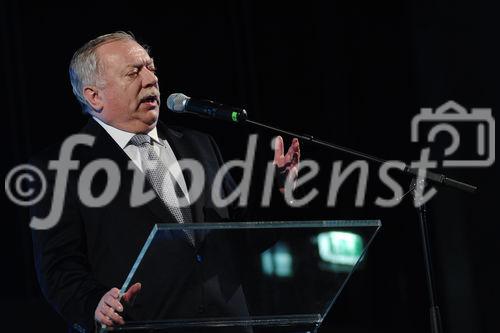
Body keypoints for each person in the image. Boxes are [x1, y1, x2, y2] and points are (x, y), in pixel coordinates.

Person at [30, 31, 300, 333]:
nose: (150, 80)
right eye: (133, 72)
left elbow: (241, 238)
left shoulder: (200, 146)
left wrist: (279, 191)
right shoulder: (60, 166)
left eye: (151, 68)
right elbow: (58, 268)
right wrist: (94, 302)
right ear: (95, 96)